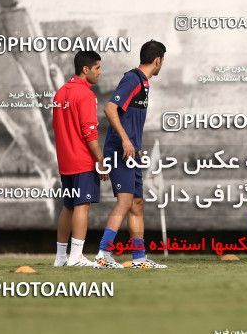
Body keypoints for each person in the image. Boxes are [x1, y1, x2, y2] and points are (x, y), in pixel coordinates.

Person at [94, 40, 167, 269]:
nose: (162, 64)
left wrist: (135, 143)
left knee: (137, 203)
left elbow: (130, 118)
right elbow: (109, 108)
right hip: (119, 150)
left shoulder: (144, 83)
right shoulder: (133, 79)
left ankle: (139, 259)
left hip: (131, 152)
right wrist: (126, 140)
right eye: (163, 61)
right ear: (158, 60)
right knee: (125, 202)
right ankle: (103, 254)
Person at [53, 51, 108, 267]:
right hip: (82, 161)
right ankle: (76, 257)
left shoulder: (59, 93)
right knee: (82, 206)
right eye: (97, 68)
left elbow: (56, 127)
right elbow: (90, 133)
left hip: (65, 161)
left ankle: (60, 258)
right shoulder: (86, 95)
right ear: (86, 70)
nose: (100, 72)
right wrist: (101, 160)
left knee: (68, 207)